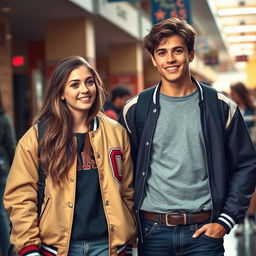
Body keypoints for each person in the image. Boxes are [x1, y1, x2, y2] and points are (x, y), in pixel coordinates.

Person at [119, 17, 256, 255]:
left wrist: (225, 220)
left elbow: (245, 165)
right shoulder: (136, 109)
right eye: (162, 53)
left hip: (204, 231)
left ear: (190, 55)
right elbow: (122, 171)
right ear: (153, 59)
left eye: (177, 51)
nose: (170, 59)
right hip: (152, 232)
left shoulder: (220, 106)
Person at [4, 56, 136, 256]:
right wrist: (29, 248)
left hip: (107, 247)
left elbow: (127, 191)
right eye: (75, 84)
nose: (84, 89)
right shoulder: (38, 137)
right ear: (61, 93)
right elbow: (20, 196)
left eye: (89, 82)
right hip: (56, 249)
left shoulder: (116, 133)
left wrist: (125, 240)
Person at [230, 82, 256, 235]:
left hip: (252, 153)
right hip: (235, 156)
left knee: (253, 187)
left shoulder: (252, 110)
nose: (233, 96)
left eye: (235, 93)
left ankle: (251, 217)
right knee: (238, 186)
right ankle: (239, 220)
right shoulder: (230, 109)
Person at [0, 91, 16, 256]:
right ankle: (6, 250)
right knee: (1, 211)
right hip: (2, 169)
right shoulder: (3, 118)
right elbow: (11, 146)